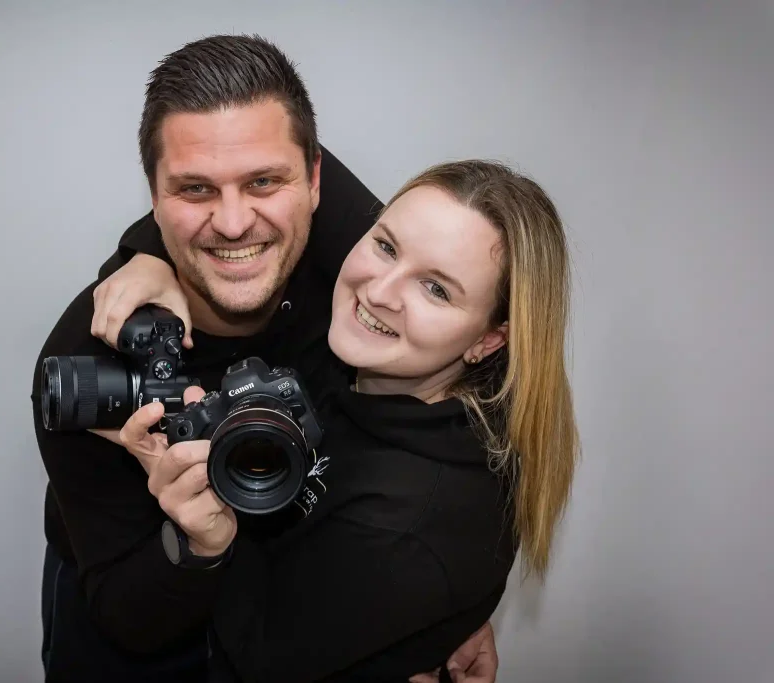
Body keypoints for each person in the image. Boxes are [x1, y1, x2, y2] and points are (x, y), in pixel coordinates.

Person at [31, 33, 498, 681]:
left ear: (315, 181)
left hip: (296, 598)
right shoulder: (88, 359)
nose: (232, 221)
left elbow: (482, 343)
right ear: (155, 196)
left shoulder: (362, 269)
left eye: (263, 182)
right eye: (194, 189)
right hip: (147, 605)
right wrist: (191, 546)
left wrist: (433, 597)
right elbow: (125, 618)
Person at [93, 158, 580, 681]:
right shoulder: (377, 371)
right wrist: (148, 255)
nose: (378, 291)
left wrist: (209, 539)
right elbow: (248, 146)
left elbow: (257, 661)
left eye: (436, 289)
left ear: (489, 339)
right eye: (386, 245)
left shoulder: (410, 526)